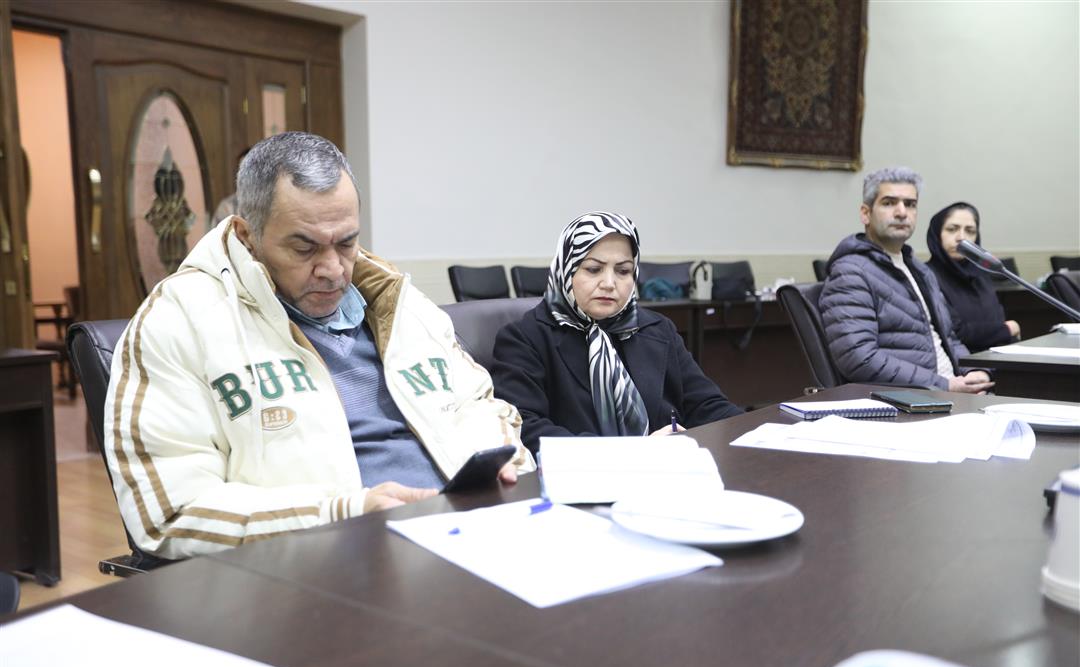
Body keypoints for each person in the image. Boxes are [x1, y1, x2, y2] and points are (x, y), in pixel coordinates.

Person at [104, 132, 533, 559]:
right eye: (303, 248)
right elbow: (172, 512)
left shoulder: (398, 303)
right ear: (246, 234)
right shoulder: (179, 322)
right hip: (322, 561)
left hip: (467, 535)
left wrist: (500, 466)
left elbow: (478, 404)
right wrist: (342, 514)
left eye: (346, 243)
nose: (333, 270)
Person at [490, 211, 743, 455]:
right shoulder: (524, 338)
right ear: (566, 269)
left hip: (666, 472)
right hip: (582, 477)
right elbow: (524, 428)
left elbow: (706, 404)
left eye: (623, 271)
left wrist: (753, 432)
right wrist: (631, 453)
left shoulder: (656, 329)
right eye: (593, 269)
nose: (609, 283)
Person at [818, 167, 994, 393]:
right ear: (865, 213)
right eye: (889, 203)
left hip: (950, 390)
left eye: (910, 204)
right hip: (913, 399)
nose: (902, 212)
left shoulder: (920, 270)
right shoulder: (850, 272)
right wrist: (945, 385)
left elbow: (949, 338)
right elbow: (859, 357)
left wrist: (974, 371)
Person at [925, 202, 1020, 353]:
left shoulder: (981, 275)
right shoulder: (926, 275)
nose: (961, 238)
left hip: (998, 357)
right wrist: (1007, 329)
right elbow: (954, 332)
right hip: (962, 362)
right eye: (952, 229)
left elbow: (997, 319)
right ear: (937, 234)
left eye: (970, 231)